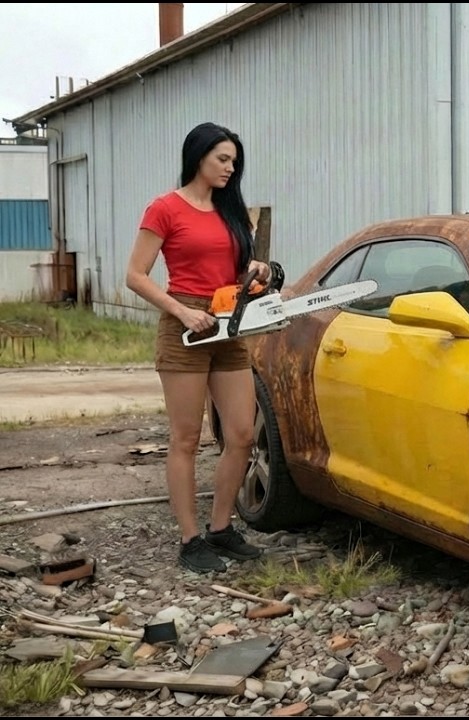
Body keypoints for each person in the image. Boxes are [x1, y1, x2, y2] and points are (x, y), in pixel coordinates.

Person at [125, 122, 270, 574]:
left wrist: (255, 272)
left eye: (234, 161)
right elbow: (135, 275)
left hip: (229, 322)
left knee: (242, 433)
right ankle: (190, 540)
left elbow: (235, 269)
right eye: (222, 159)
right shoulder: (164, 208)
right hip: (185, 323)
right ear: (199, 156)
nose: (230, 168)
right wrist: (183, 312)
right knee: (185, 437)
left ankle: (221, 527)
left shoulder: (233, 211)